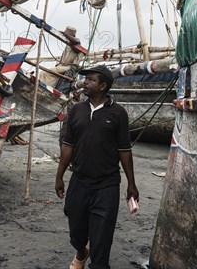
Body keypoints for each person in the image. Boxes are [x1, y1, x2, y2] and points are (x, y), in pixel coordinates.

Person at [55, 65, 139, 269]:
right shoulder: (76, 110)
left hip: (107, 185)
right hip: (79, 182)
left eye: (91, 80)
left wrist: (131, 184)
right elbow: (68, 146)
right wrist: (59, 176)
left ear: (103, 86)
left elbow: (124, 151)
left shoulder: (118, 113)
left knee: (101, 240)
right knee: (76, 233)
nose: (85, 82)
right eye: (86, 79)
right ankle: (81, 252)